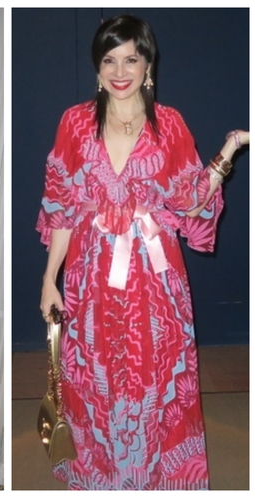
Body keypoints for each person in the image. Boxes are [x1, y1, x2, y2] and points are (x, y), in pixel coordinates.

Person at [37, 14, 248, 490]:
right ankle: (102, 476)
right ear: (97, 67)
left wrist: (230, 150)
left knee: (151, 378)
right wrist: (50, 278)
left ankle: (151, 477)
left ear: (148, 64)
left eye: (131, 59)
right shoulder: (75, 122)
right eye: (109, 60)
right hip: (90, 275)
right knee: (96, 378)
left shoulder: (169, 124)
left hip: (154, 278)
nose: (120, 71)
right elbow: (61, 208)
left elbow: (192, 202)